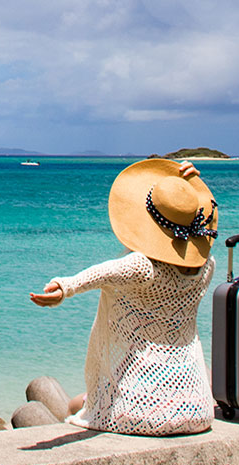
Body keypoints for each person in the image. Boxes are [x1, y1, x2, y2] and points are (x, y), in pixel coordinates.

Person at [29, 159, 217, 436]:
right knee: (81, 403)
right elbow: (200, 215)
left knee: (74, 406)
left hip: (137, 413)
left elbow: (96, 275)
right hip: (197, 408)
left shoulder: (142, 268)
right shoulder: (206, 268)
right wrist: (190, 187)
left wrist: (62, 289)